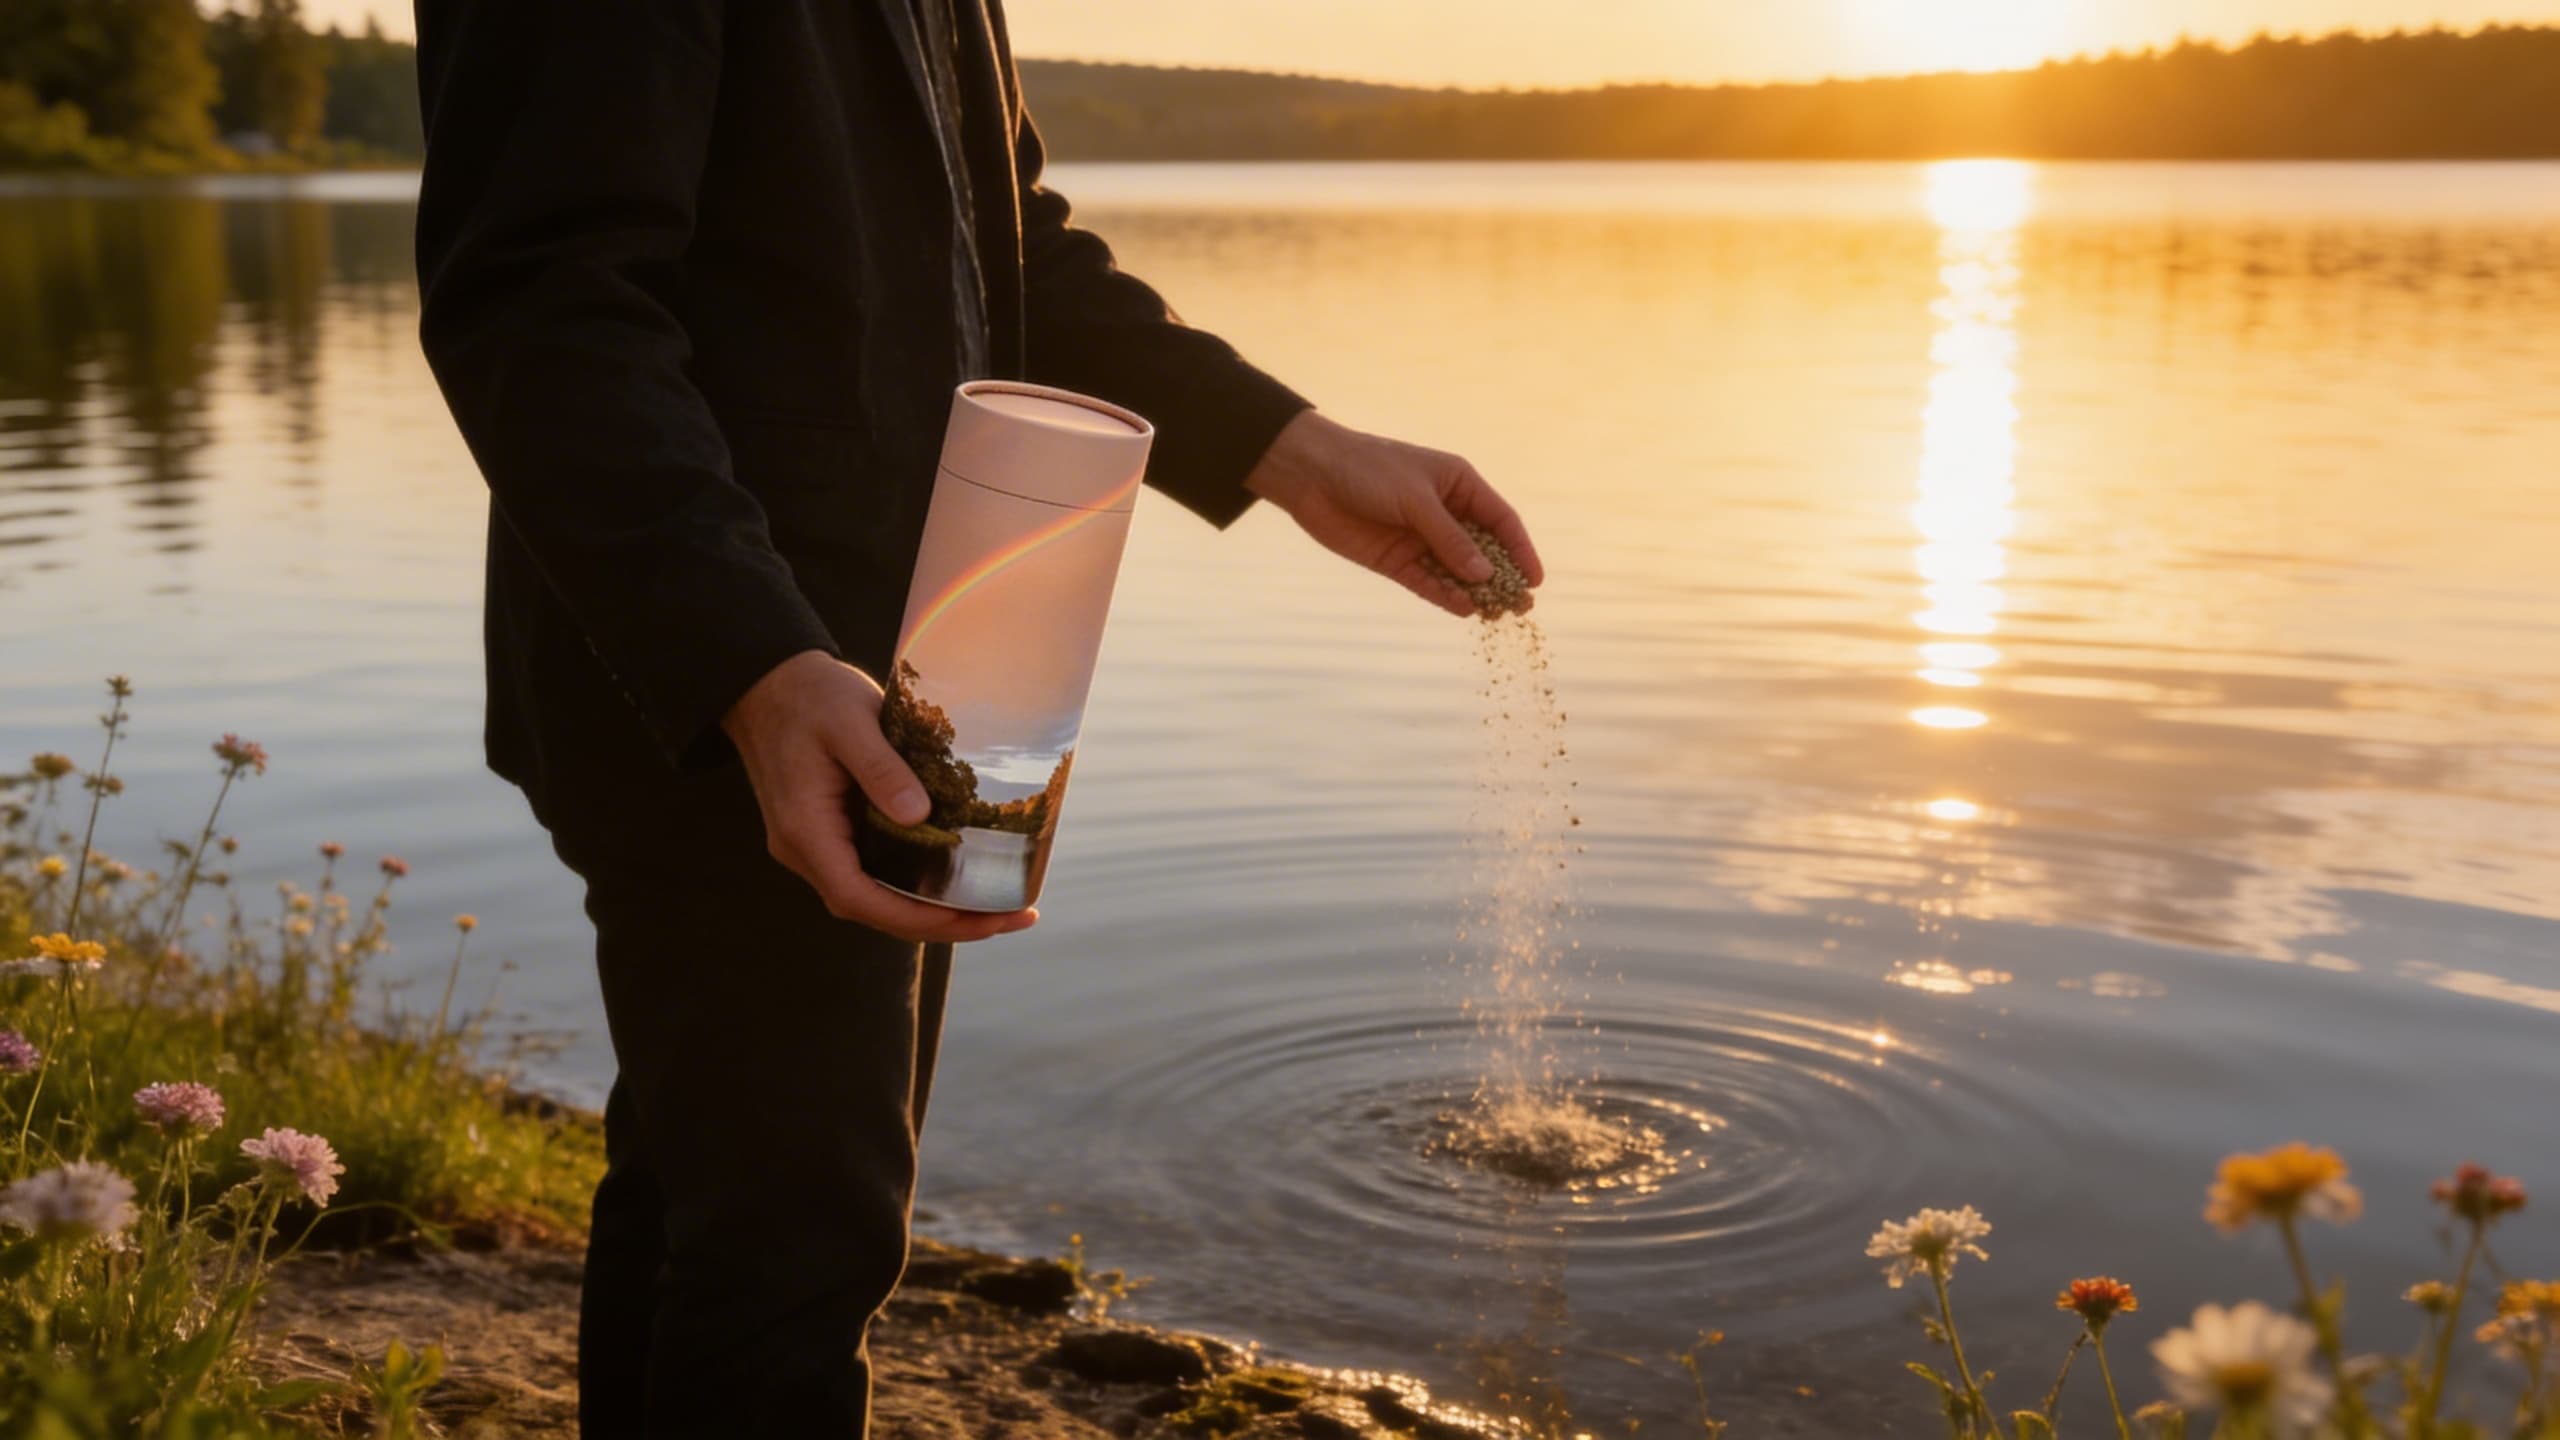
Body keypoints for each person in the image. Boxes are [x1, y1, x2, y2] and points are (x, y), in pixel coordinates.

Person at [411, 1, 1542, 1434]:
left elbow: (1010, 247)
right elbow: (542, 299)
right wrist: (754, 665)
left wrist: (1292, 451)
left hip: (895, 674)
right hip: (737, 685)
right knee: (795, 1244)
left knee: (723, 1194)